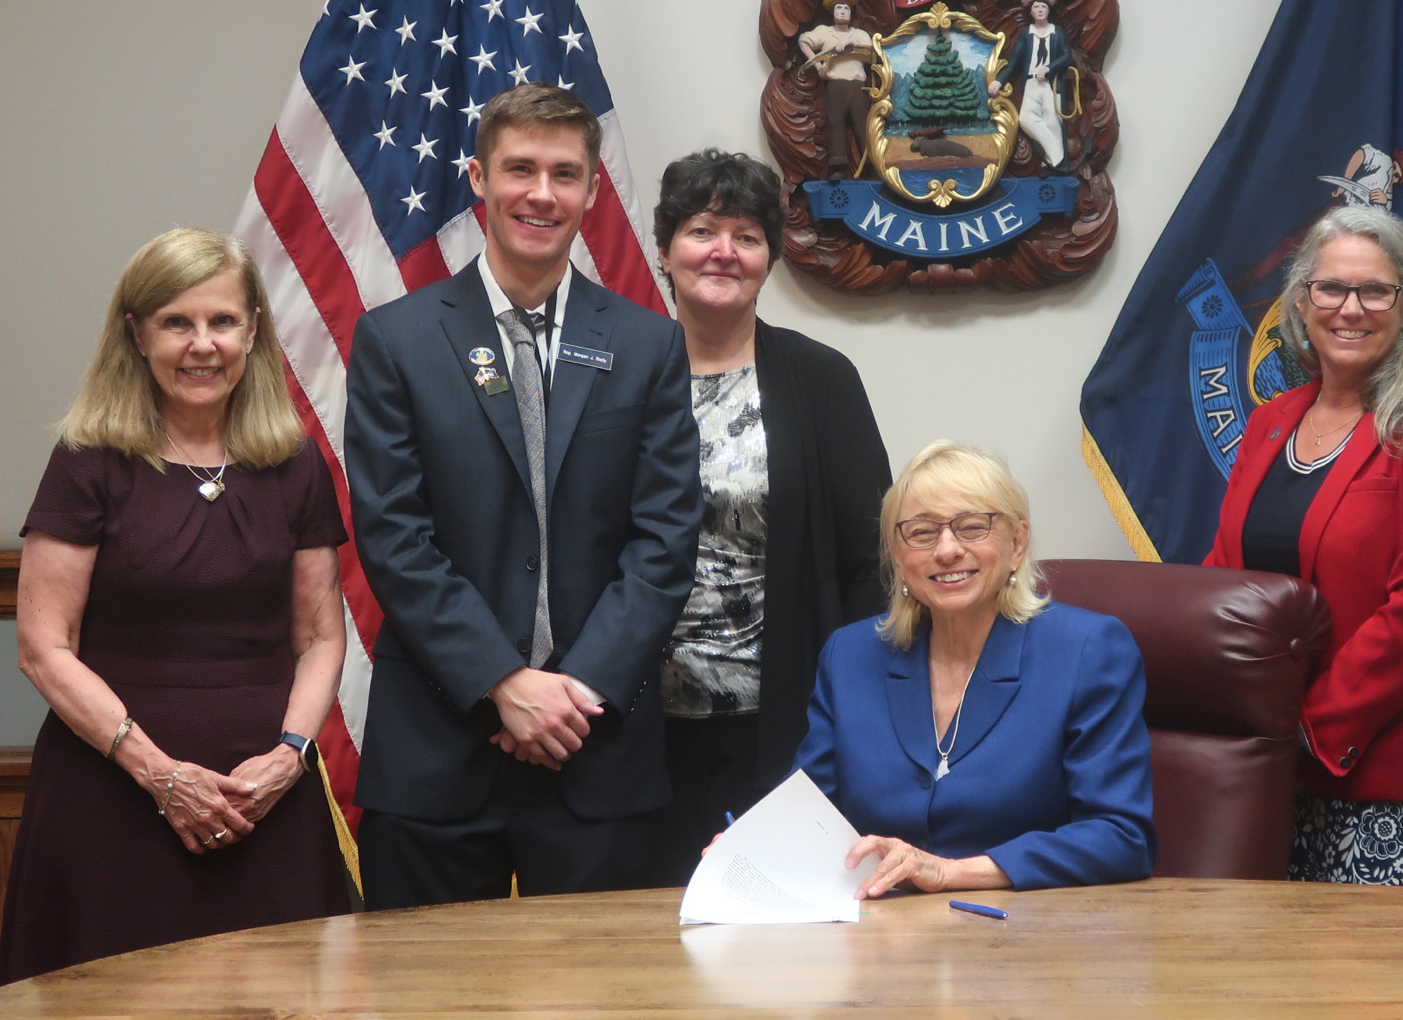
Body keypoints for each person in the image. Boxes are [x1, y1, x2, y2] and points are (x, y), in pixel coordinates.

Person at [344, 83, 702, 908]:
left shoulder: (649, 345)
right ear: (478, 178)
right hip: (440, 745)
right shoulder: (396, 340)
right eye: (520, 169)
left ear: (590, 189)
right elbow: (395, 538)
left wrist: (573, 691)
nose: (541, 194)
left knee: (605, 999)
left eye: (564, 174)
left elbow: (665, 541)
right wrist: (505, 682)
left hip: (597, 745)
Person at [1, 229, 349, 981]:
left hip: (264, 800)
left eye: (222, 322)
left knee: (283, 995)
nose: (203, 345)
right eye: (176, 323)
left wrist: (289, 757)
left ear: (253, 330)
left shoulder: (293, 463)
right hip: (112, 797)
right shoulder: (89, 459)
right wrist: (160, 773)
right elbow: (42, 646)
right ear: (136, 334)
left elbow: (321, 636)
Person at [647, 148, 891, 885]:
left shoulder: (820, 379)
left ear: (769, 259)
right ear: (665, 250)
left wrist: (855, 712)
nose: (724, 251)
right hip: (637, 732)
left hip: (787, 723)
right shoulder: (618, 374)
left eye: (747, 236)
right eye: (702, 230)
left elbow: (869, 564)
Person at [1202, 206, 1403, 886]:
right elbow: (1221, 580)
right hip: (1261, 775)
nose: (1351, 308)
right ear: (1301, 301)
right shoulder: (1269, 422)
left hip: (1374, 777)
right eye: (1332, 288)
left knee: (1366, 991)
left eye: (1375, 290)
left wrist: (1310, 731)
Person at [794, 442, 1156, 897]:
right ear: (896, 554)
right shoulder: (849, 655)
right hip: (879, 938)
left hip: (1029, 940)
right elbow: (806, 815)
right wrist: (757, 844)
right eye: (922, 532)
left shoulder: (1087, 650)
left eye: (972, 527)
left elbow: (1122, 836)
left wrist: (951, 873)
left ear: (1017, 543)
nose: (947, 550)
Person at [987, 0, 1073, 172]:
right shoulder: (1026, 35)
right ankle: (1058, 158)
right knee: (1025, 119)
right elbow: (1014, 62)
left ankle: (1049, 163)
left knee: (1052, 121)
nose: (1040, 9)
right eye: (1036, 7)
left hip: (1051, 84)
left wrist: (1049, 68)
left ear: (1048, 10)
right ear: (1031, 11)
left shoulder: (1057, 32)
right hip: (1032, 83)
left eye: (1043, 6)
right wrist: (999, 81)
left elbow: (1067, 57)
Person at [796, 0, 875, 180]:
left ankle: (873, 166)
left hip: (857, 87)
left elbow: (871, 55)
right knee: (835, 125)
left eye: (846, 8)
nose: (842, 11)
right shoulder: (825, 32)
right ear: (832, 12)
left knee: (863, 127)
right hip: (835, 86)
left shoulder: (860, 34)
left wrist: (848, 49)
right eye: (838, 8)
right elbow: (803, 41)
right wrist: (818, 64)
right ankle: (837, 167)